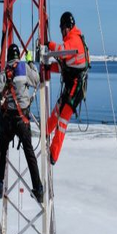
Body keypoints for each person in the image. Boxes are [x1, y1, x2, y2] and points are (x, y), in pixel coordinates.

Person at [0, 43, 44, 203]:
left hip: (7, 119)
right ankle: (38, 188)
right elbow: (37, 80)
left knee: (2, 149)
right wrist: (31, 62)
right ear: (18, 55)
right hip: (22, 119)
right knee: (29, 152)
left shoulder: (3, 72)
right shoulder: (24, 68)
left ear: (8, 57)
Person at [46, 11, 89, 164]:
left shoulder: (74, 39)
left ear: (66, 27)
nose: (62, 32)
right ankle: (45, 132)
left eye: (62, 29)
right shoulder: (74, 39)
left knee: (62, 120)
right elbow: (65, 66)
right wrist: (48, 67)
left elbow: (62, 51)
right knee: (56, 111)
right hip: (71, 86)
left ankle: (53, 154)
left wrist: (47, 44)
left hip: (76, 88)